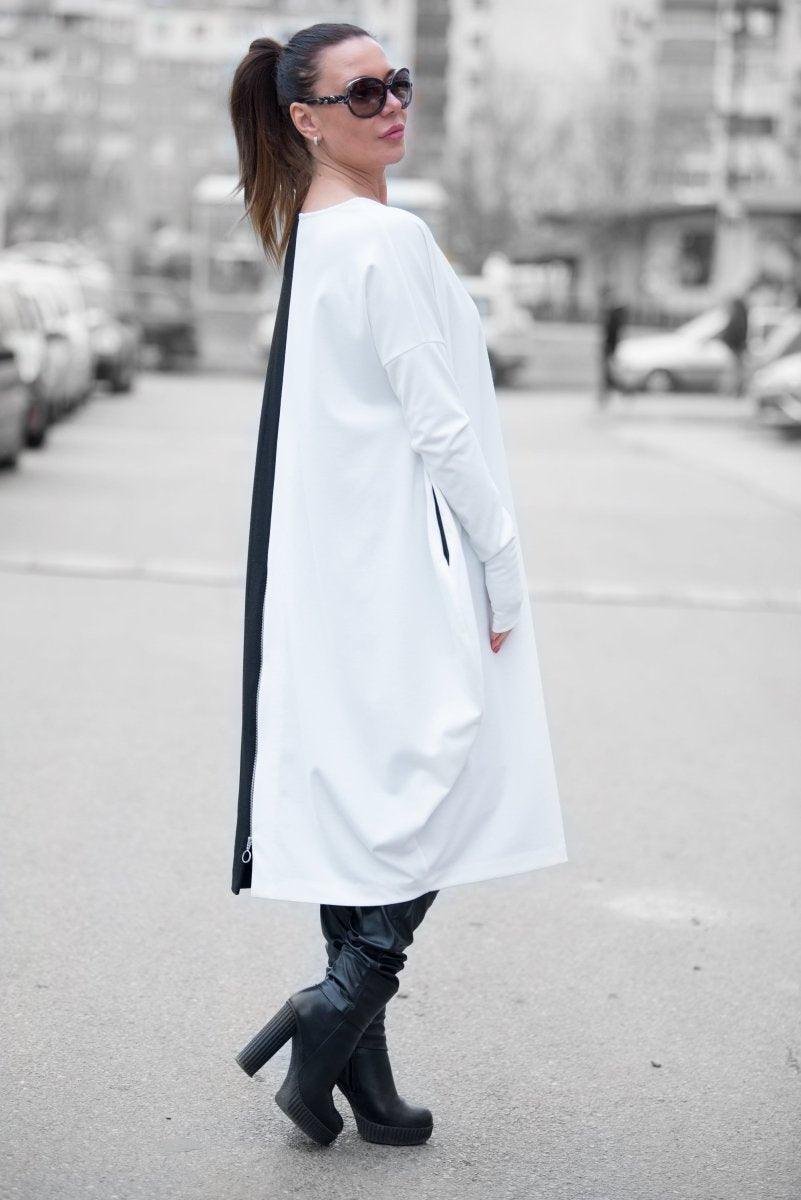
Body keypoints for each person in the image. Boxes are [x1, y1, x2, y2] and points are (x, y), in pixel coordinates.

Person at [227, 22, 568, 1148]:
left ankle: (353, 1076)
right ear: (305, 118)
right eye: (363, 92)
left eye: (399, 83)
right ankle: (331, 1010)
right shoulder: (381, 237)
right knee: (434, 787)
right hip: (407, 566)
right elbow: (442, 425)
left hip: (344, 568)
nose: (393, 104)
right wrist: (502, 564)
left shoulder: (320, 235)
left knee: (369, 802)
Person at [597, 282, 628, 407]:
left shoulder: (615, 314)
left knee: (610, 374)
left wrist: (611, 349)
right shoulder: (612, 313)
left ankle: (621, 392)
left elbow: (614, 333)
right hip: (609, 347)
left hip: (610, 348)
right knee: (608, 374)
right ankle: (605, 396)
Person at [717, 292, 749, 397]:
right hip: (737, 347)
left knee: (736, 370)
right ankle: (735, 390)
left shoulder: (737, 319)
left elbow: (734, 334)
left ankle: (734, 390)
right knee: (737, 370)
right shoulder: (741, 318)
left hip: (736, 347)